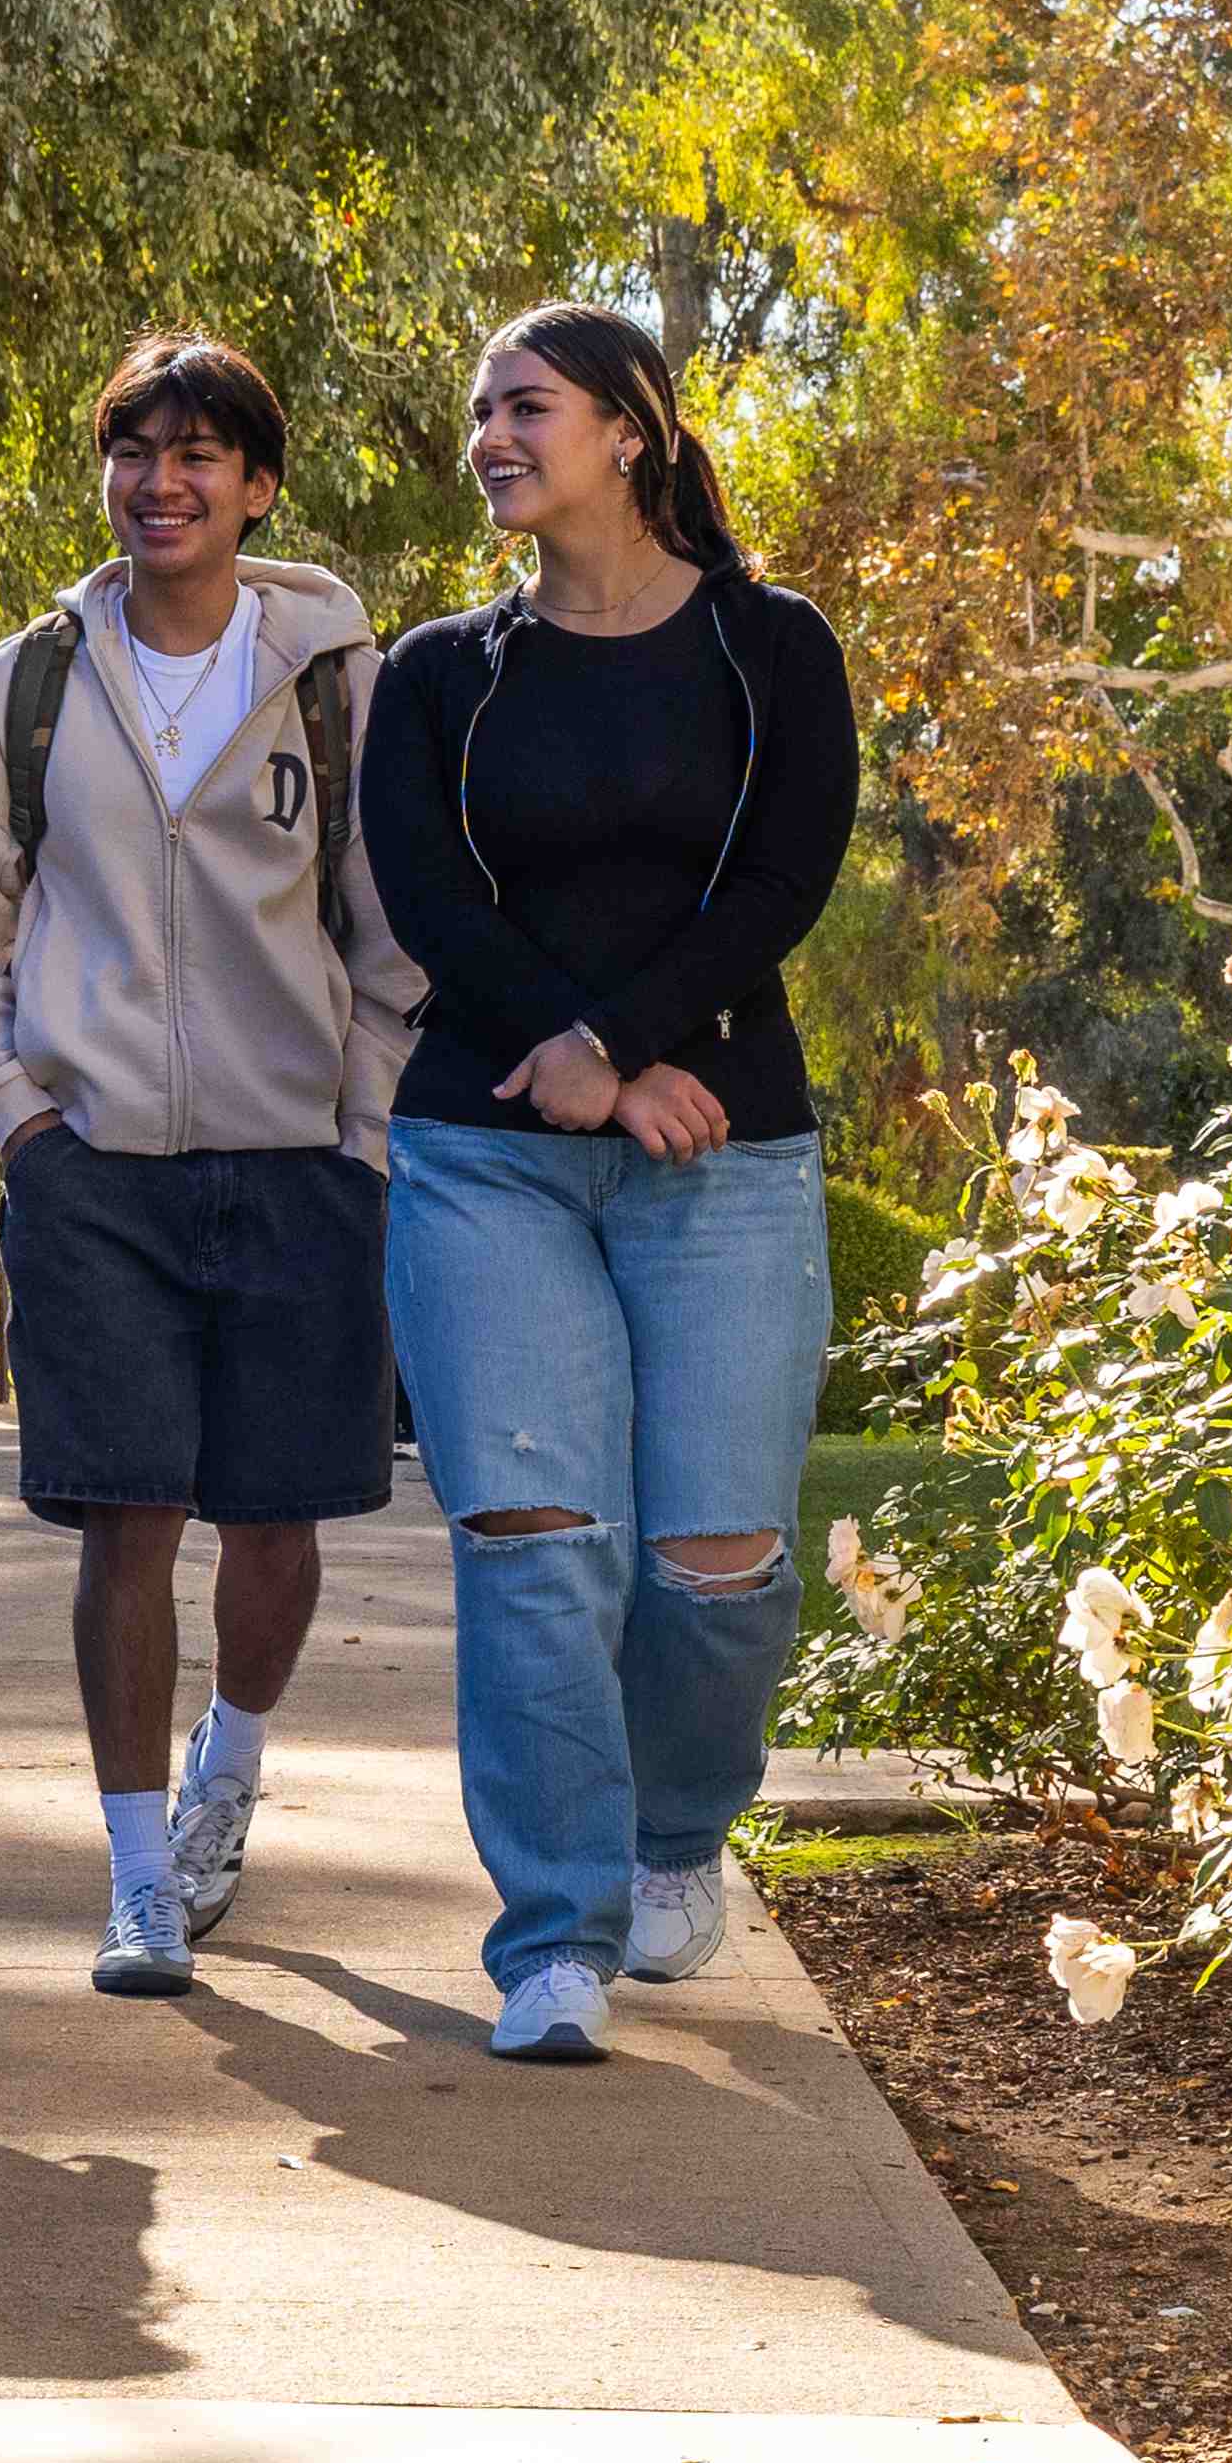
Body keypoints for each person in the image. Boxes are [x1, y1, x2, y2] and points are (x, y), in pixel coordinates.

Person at [0, 333, 425, 1998]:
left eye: (199, 454)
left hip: (301, 1164)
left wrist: (363, 1129)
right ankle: (137, 1879)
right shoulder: (25, 688)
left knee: (274, 1522)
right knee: (126, 1520)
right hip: (94, 1171)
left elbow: (396, 932)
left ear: (257, 487)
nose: (161, 482)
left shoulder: (340, 684)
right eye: (135, 451)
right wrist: (21, 1118)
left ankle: (228, 1774)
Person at [358, 302, 858, 2063]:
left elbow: (784, 880)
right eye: (481, 412)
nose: (492, 437)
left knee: (719, 1567)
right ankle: (553, 1938)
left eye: (529, 407)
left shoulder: (769, 645)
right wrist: (578, 1062)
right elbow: (429, 900)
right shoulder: (440, 673)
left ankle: (674, 1834)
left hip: (725, 1153)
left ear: (631, 430)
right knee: (539, 1549)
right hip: (487, 1153)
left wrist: (626, 1045)